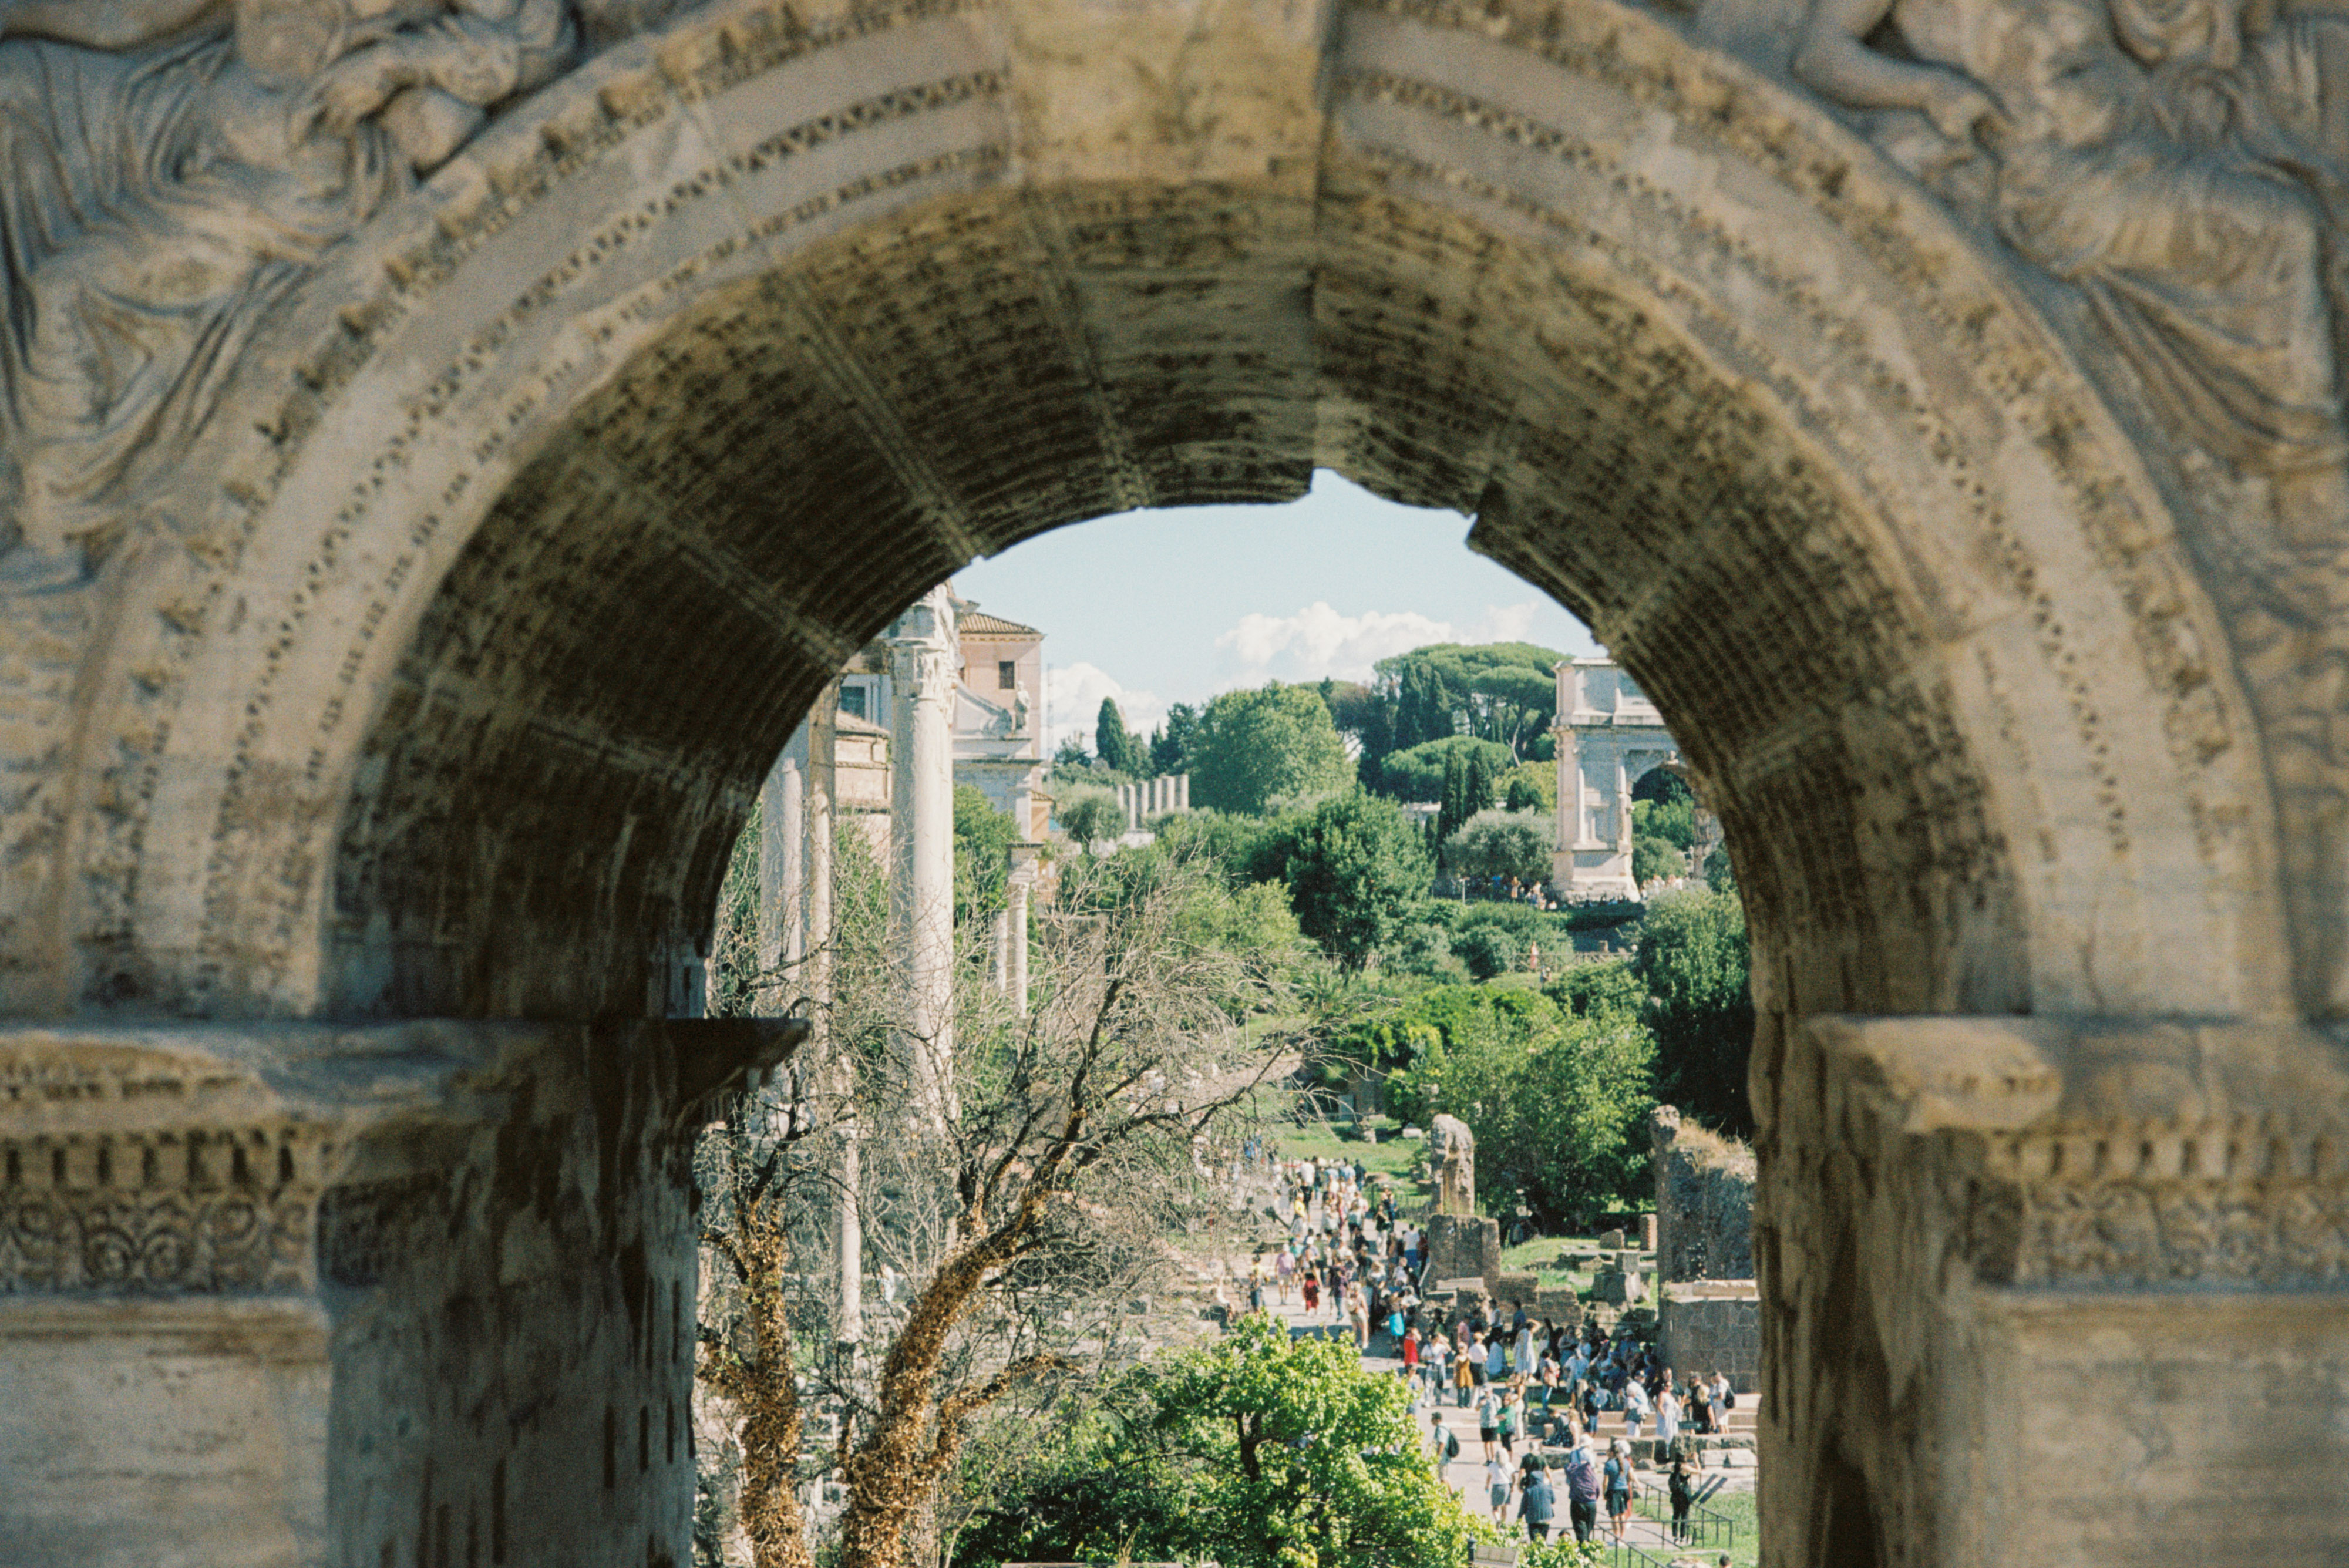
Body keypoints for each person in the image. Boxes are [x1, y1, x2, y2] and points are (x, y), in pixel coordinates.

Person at [1561, 1431, 1602, 1545]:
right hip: (1589, 1494)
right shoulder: (1589, 1454)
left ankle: (1582, 1542)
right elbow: (1592, 1469)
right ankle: (1586, 1542)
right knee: (1589, 1525)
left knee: (1579, 1524)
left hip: (1576, 1490)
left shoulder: (1574, 1453)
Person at [1518, 1456, 1556, 1543]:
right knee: (1543, 1540)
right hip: (1546, 1518)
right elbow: (1554, 1501)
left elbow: (1523, 1505)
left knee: (1534, 1541)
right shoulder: (1548, 1489)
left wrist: (1520, 1516)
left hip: (1532, 1519)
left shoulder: (1529, 1490)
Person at [1603, 1439, 1635, 1541]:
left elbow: (1605, 1482)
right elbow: (1631, 1477)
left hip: (1613, 1491)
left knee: (1615, 1516)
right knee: (1622, 1515)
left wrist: (1604, 1493)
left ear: (1612, 1453)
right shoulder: (1626, 1463)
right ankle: (1622, 1537)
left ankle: (1616, 1537)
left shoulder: (1609, 1464)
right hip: (1624, 1490)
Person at [1667, 1453, 1695, 1542]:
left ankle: (1675, 1536)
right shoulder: (1685, 1467)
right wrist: (1696, 1459)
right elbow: (1698, 1471)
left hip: (1676, 1495)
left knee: (1676, 1515)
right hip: (1684, 1495)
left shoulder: (1673, 1467)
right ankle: (1682, 1536)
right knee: (1684, 1516)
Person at [1485, 1452, 1513, 1519]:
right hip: (1506, 1486)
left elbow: (1489, 1477)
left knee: (1495, 1508)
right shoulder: (1509, 1465)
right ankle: (1503, 1523)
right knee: (1504, 1508)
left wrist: (1487, 1485)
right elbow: (1513, 1478)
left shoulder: (1492, 1465)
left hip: (1496, 1487)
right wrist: (1512, 1486)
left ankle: (1498, 1520)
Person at [1476, 1387, 1500, 1462]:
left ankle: (1493, 1459)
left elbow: (1499, 1409)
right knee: (1486, 1443)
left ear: (1491, 1391)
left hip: (1494, 1423)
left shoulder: (1496, 1398)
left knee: (1493, 1442)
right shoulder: (1481, 1398)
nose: (1486, 1393)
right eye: (1485, 1392)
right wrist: (1480, 1404)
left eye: (1488, 1392)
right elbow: (1476, 1409)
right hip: (1484, 1423)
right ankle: (1488, 1459)